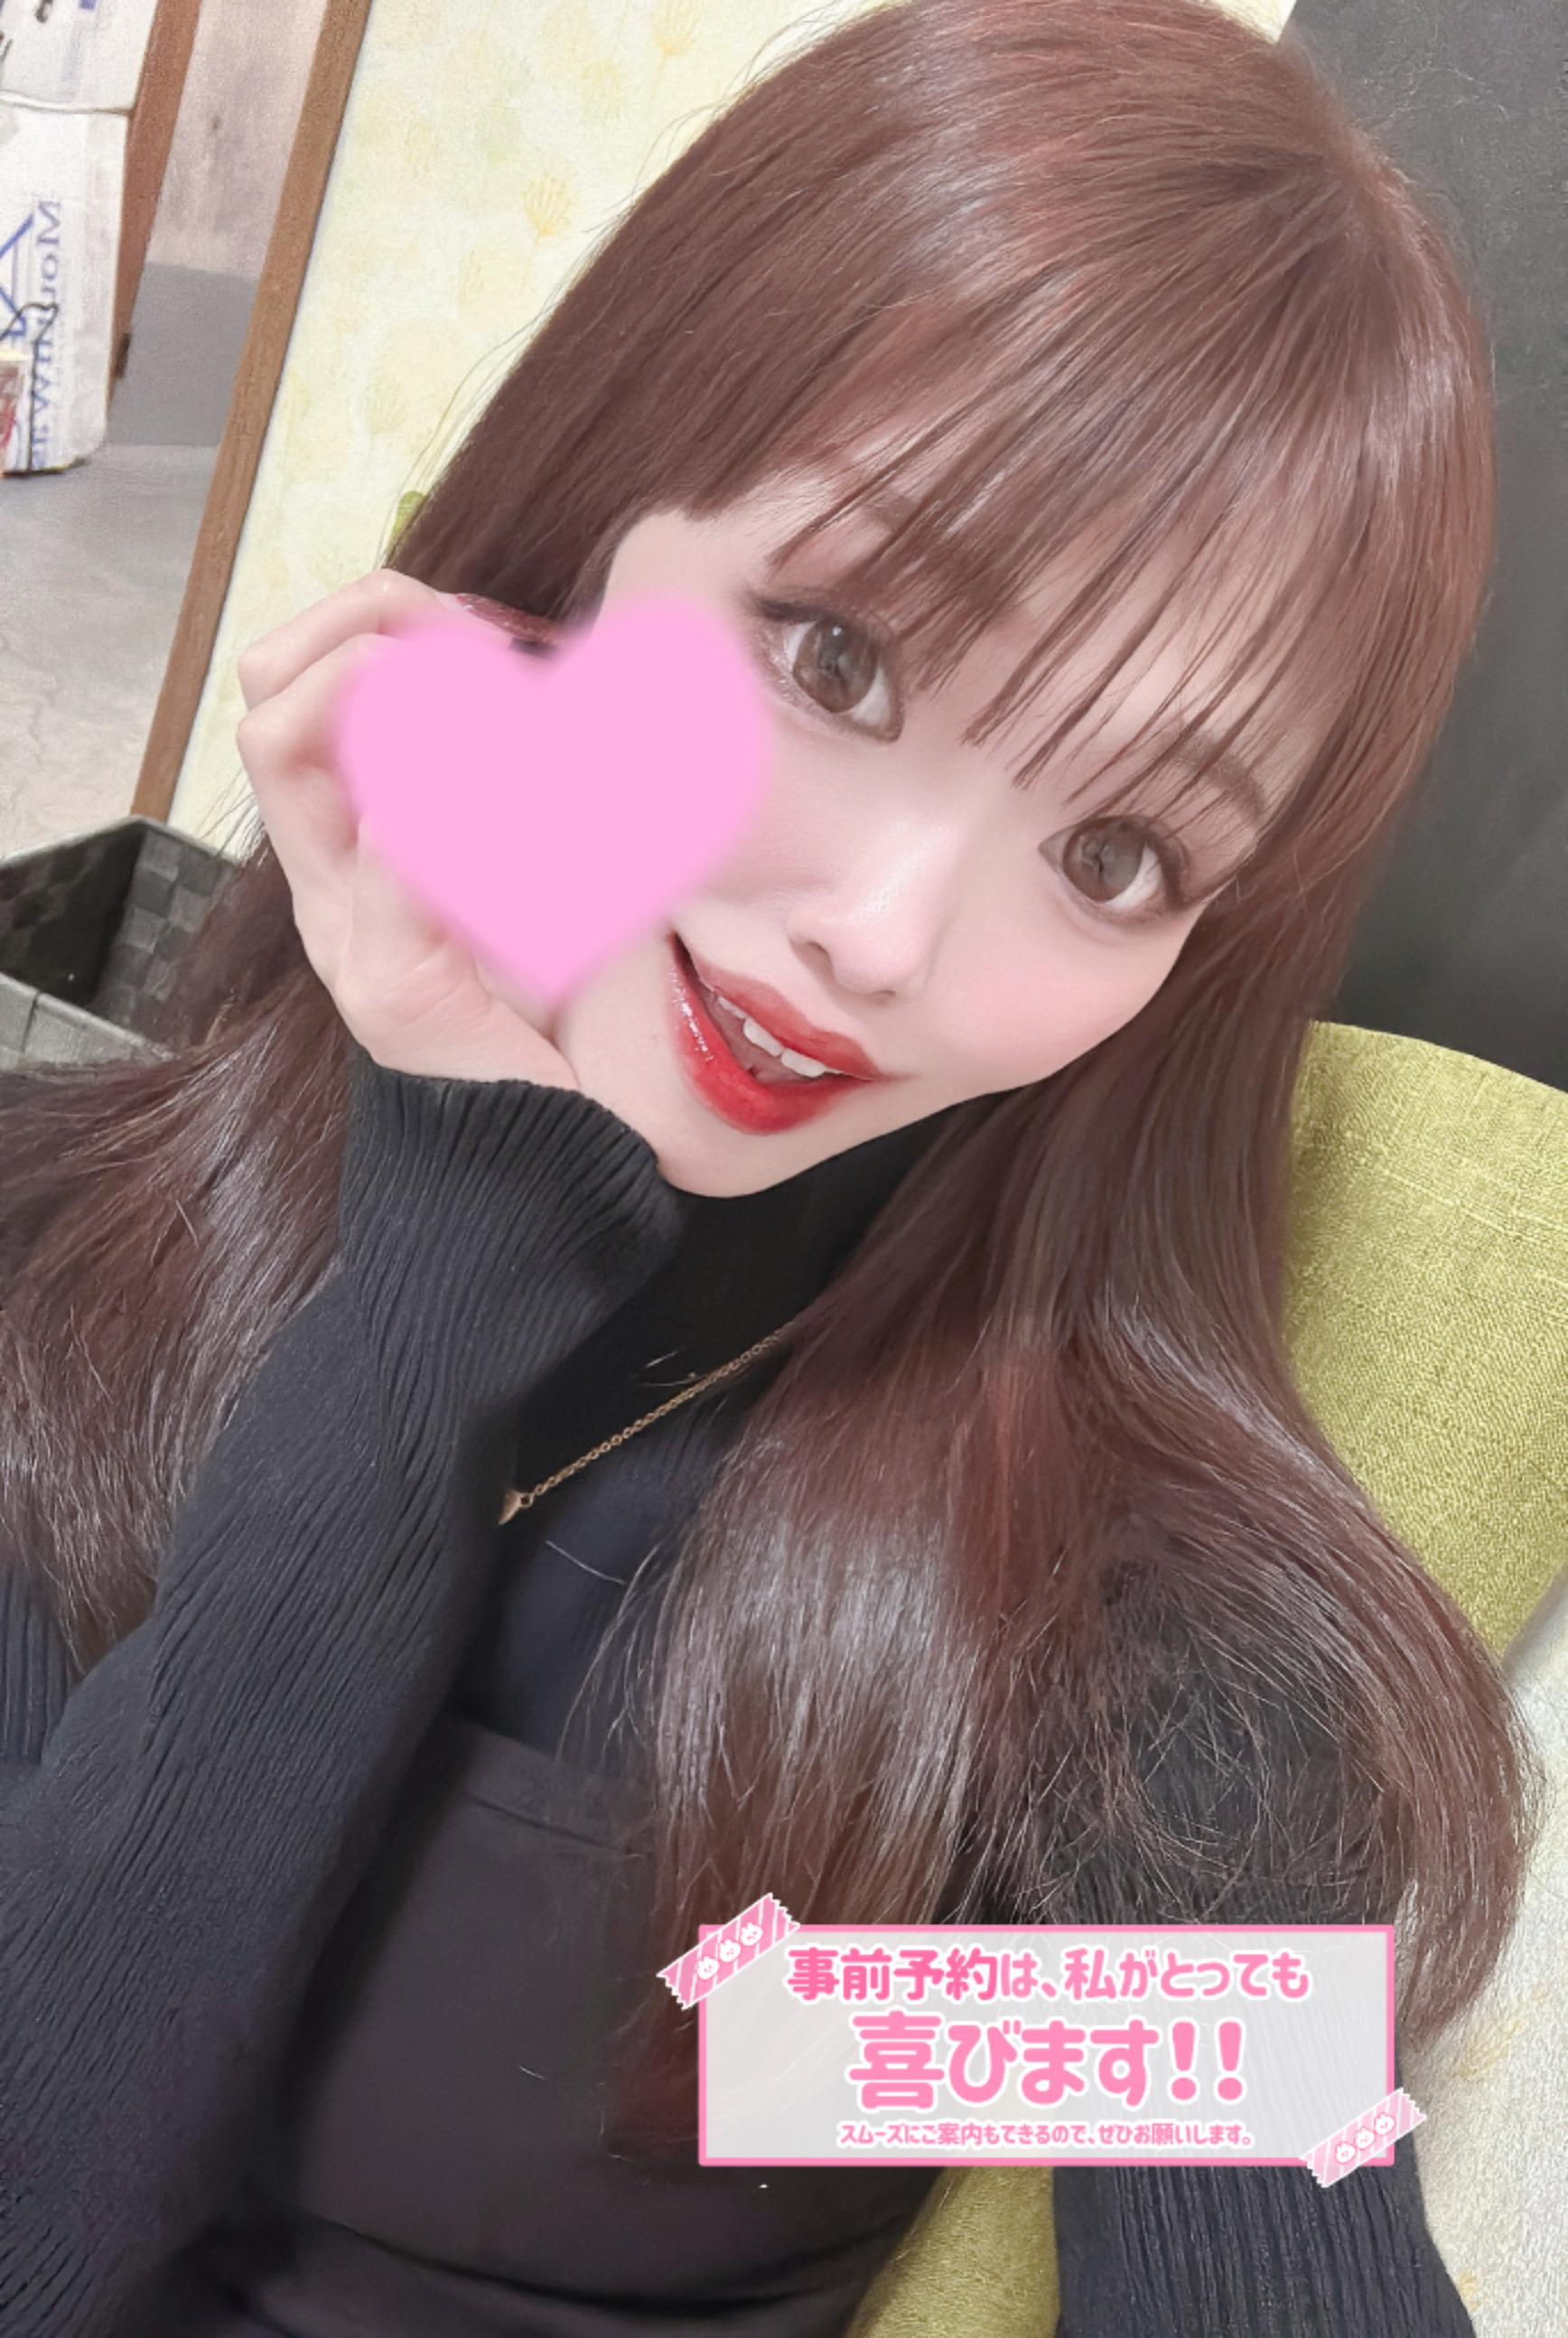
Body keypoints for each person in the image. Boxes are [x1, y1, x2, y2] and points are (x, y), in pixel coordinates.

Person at [0, 0, 1535, 2331]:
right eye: (836, 658)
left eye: (1115, 853)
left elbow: (1260, 2200)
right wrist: (448, 1260)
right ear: (596, 513)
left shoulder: (1147, 1628)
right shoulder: (58, 1250)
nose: (890, 938)